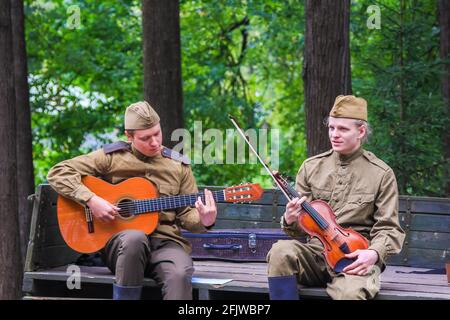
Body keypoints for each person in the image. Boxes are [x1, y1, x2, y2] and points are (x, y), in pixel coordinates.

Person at [47, 101, 217, 300]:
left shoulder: (178, 165)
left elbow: (187, 213)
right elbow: (58, 172)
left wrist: (205, 220)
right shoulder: (111, 158)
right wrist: (91, 200)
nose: (154, 142)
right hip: (120, 244)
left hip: (165, 243)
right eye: (145, 138)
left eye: (157, 133)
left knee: (179, 274)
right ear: (129, 136)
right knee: (135, 238)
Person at [266, 95, 405, 300]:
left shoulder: (381, 173)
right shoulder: (311, 167)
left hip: (357, 259)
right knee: (279, 251)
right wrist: (290, 219)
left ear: (361, 131)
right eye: (331, 128)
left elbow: (389, 228)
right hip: (317, 255)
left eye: (343, 129)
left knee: (351, 294)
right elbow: (301, 231)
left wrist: (374, 254)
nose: (334, 134)